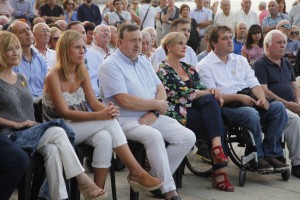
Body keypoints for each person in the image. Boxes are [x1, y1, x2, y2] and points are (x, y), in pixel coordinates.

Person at [42, 29, 163, 192]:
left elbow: (93, 101)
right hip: (58, 129)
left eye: (83, 47)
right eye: (77, 47)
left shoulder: (81, 71)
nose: (82, 51)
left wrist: (109, 109)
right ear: (64, 50)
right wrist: (101, 115)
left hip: (79, 126)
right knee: (108, 122)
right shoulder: (53, 76)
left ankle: (97, 191)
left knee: (105, 137)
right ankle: (136, 171)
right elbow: (64, 112)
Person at [0, 30, 107, 200]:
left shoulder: (20, 77)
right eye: (9, 49)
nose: (16, 53)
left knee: (53, 151)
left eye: (17, 48)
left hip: (30, 132)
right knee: (58, 132)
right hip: (9, 135)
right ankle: (82, 179)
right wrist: (15, 124)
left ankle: (58, 197)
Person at [99, 24, 196, 200]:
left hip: (150, 115)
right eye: (132, 41)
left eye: (139, 40)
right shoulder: (110, 64)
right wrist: (155, 106)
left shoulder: (143, 60)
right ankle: (169, 190)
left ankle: (150, 177)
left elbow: (161, 90)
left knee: (187, 137)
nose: (138, 44)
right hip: (124, 119)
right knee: (153, 136)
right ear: (119, 42)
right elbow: (124, 100)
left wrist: (155, 112)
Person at [197, 25, 289, 172]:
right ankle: (257, 157)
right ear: (214, 43)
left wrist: (261, 98)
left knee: (278, 108)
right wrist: (239, 98)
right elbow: (213, 96)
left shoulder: (240, 60)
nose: (230, 41)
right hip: (225, 106)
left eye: (230, 37)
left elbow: (254, 83)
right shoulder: (204, 65)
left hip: (248, 99)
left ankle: (271, 153)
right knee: (250, 114)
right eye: (224, 38)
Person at [156, 32, 234, 192]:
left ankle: (216, 147)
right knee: (215, 119)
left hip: (196, 110)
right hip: (176, 113)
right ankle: (219, 167)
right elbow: (179, 95)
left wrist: (211, 90)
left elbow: (200, 87)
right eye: (180, 43)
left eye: (185, 43)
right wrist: (209, 93)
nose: (185, 46)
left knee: (211, 104)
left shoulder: (189, 68)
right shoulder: (162, 69)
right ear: (168, 47)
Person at [253, 30, 300, 179]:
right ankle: (298, 164)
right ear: (267, 45)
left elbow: (294, 86)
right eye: (279, 42)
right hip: (272, 108)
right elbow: (264, 91)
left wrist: (298, 102)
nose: (283, 46)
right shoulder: (260, 64)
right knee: (294, 120)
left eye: (284, 42)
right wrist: (288, 104)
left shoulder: (286, 62)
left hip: (291, 105)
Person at [8, 20, 48, 98]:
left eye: (28, 29)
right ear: (13, 37)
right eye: (21, 32)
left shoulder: (41, 59)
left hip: (42, 104)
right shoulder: (11, 61)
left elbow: (46, 86)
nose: (28, 33)